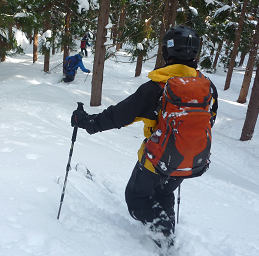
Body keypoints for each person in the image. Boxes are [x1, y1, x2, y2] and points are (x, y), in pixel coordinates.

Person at [70, 25, 218, 248]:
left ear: (167, 53)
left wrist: (86, 122)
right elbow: (210, 120)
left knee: (137, 199)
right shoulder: (208, 88)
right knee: (165, 193)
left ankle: (163, 233)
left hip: (155, 161)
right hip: (190, 161)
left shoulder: (156, 88)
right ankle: (167, 241)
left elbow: (118, 116)